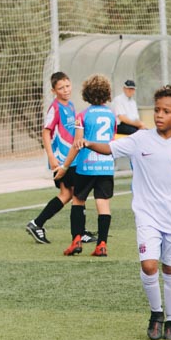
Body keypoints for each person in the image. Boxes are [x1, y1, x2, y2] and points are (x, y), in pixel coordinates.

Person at [79, 85, 171, 340]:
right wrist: (87, 143)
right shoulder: (140, 139)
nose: (159, 115)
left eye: (166, 111)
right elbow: (110, 148)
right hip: (146, 215)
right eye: (157, 110)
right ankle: (156, 313)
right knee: (148, 265)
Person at [61, 74, 115, 258]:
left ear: (86, 94)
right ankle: (102, 244)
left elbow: (77, 144)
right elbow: (111, 141)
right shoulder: (112, 115)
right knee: (103, 203)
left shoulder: (82, 115)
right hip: (106, 165)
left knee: (78, 200)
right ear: (107, 93)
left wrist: (65, 167)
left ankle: (76, 240)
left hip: (86, 166)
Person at [26, 71, 78, 245]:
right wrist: (51, 157)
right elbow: (46, 132)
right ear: (53, 91)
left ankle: (37, 224)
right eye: (61, 88)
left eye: (67, 86)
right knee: (74, 194)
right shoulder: (55, 108)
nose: (66, 90)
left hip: (71, 158)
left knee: (68, 194)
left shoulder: (71, 106)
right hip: (61, 159)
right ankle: (79, 232)